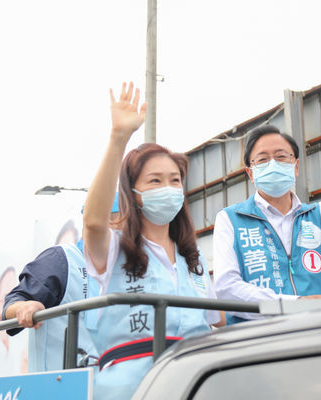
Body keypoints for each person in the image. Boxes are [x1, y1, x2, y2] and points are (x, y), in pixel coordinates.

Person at [83, 82, 222, 399]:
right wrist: (119, 139)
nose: (168, 188)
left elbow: (218, 321)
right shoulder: (115, 249)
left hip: (193, 385)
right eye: (155, 181)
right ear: (133, 192)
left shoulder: (192, 259)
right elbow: (92, 222)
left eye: (175, 180)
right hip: (132, 389)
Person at [213, 73, 321, 323]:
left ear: (296, 167)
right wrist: (294, 306)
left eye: (282, 156)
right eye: (262, 159)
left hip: (312, 339)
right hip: (254, 345)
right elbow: (226, 289)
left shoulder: (320, 217)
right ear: (250, 173)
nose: (273, 163)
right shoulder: (231, 220)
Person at [1, 244, 100, 371]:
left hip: (114, 384)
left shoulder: (125, 269)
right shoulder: (62, 259)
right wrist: (24, 306)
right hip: (59, 384)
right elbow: (17, 301)